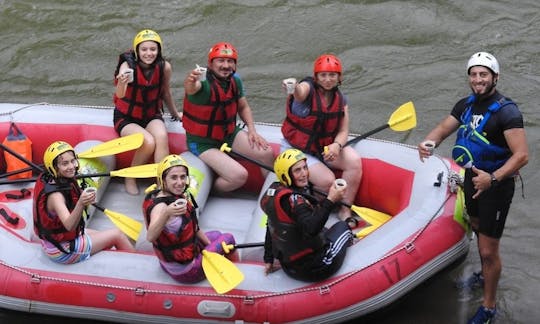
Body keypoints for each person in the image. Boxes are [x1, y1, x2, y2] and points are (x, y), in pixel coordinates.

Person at [417, 52, 528, 324]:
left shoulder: (507, 111)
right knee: (477, 227)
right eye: (474, 74)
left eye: (483, 74)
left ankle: (489, 308)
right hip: (471, 177)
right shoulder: (466, 105)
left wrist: (493, 178)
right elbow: (444, 128)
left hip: (496, 185)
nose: (478, 79)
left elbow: (522, 155)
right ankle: (483, 273)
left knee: (489, 250)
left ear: (495, 77)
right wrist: (427, 142)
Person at [280, 54, 362, 228]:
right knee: (327, 180)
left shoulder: (341, 99)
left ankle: (344, 209)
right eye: (323, 75)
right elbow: (300, 93)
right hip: (296, 150)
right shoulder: (307, 89)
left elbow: (343, 131)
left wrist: (336, 145)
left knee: (354, 161)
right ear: (316, 77)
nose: (327, 79)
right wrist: (293, 87)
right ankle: (312, 211)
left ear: (339, 77)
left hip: (322, 148)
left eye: (332, 75)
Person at [182, 42, 274, 194]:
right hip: (202, 142)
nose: (226, 65)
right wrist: (191, 80)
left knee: (266, 153)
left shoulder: (235, 81)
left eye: (230, 61)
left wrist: (252, 130)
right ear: (210, 64)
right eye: (221, 61)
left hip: (228, 134)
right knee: (239, 176)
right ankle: (210, 191)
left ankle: (270, 193)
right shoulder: (201, 83)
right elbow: (191, 88)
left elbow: (243, 107)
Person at [33, 141, 135, 264]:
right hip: (62, 250)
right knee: (117, 235)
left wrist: (81, 194)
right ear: (54, 168)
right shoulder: (56, 196)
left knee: (103, 237)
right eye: (64, 164)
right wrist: (81, 203)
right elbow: (69, 225)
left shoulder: (54, 178)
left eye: (73, 161)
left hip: (58, 240)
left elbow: (70, 193)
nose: (71, 166)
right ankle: (137, 265)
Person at [260, 149, 354, 282]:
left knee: (325, 230)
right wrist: (331, 199)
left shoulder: (275, 192)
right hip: (316, 267)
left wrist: (268, 258)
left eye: (305, 167)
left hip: (289, 266)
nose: (304, 174)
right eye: (297, 170)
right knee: (343, 227)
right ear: (286, 175)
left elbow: (272, 227)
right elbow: (311, 229)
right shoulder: (296, 202)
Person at [143, 154, 235, 283]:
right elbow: (150, 237)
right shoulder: (161, 207)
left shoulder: (172, 194)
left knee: (217, 235)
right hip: (186, 270)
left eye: (183, 177)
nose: (180, 182)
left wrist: (211, 247)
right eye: (174, 177)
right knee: (228, 238)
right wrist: (166, 213)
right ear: (163, 179)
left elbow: (194, 228)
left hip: (175, 258)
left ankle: (218, 256)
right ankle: (240, 266)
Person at [113, 29, 181, 195]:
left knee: (162, 137)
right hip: (126, 117)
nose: (148, 53)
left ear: (158, 51)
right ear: (137, 51)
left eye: (153, 49)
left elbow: (165, 92)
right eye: (144, 49)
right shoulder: (127, 66)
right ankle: (130, 177)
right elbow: (120, 95)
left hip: (151, 114)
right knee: (148, 142)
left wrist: (175, 113)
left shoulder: (164, 67)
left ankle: (161, 183)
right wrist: (122, 82)